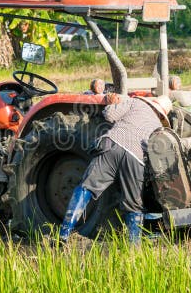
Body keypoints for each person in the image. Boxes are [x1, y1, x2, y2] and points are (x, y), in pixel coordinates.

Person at [59, 92, 162, 245]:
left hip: (112, 145)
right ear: (161, 114)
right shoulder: (159, 126)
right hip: (135, 158)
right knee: (134, 204)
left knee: (86, 187)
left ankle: (64, 234)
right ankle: (134, 247)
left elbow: (109, 115)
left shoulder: (137, 103)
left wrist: (111, 103)